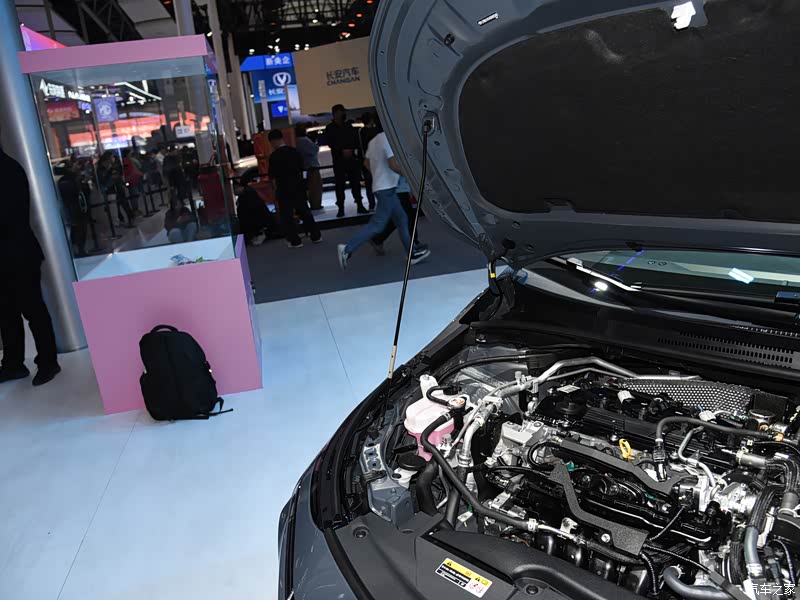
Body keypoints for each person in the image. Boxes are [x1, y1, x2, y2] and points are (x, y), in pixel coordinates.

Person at [0, 142, 61, 386]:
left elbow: (9, 214)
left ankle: (48, 362)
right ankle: (13, 364)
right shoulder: (10, 167)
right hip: (11, 254)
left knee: (32, 309)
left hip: (18, 254)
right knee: (7, 313)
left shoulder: (8, 170)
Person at [337, 117, 431, 269]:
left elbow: (366, 162)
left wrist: (379, 175)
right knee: (378, 225)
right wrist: (410, 174)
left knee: (402, 219)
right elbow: (393, 164)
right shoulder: (388, 139)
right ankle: (347, 249)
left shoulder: (374, 141)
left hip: (383, 187)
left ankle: (412, 253)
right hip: (386, 189)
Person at [267, 129, 322, 248]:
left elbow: (273, 176)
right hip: (298, 186)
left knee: (287, 216)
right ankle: (316, 235)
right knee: (304, 211)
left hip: (284, 188)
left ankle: (295, 240)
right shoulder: (294, 152)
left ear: (272, 141)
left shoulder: (274, 156)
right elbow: (302, 168)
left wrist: (275, 191)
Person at [324, 104, 368, 217]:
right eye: (341, 112)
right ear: (335, 114)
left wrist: (351, 149)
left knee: (355, 183)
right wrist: (341, 150)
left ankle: (359, 204)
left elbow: (355, 140)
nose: (343, 114)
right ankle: (341, 208)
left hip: (352, 160)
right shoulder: (330, 128)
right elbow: (330, 142)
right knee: (340, 185)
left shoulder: (349, 126)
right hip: (339, 161)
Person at [370, 175, 427, 255]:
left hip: (401, 187)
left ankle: (378, 238)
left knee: (406, 216)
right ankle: (413, 243)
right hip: (398, 188)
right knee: (406, 216)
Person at [56, 162, 91, 257]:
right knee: (77, 230)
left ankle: (81, 249)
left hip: (79, 208)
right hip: (73, 209)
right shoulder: (65, 181)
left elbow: (85, 192)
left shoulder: (75, 179)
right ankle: (77, 250)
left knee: (82, 229)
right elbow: (70, 194)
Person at [235, 173, 277, 246]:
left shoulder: (246, 196)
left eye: (235, 188)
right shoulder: (249, 193)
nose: (234, 191)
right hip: (260, 219)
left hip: (257, 221)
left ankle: (259, 234)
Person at [294, 123, 323, 211]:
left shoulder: (296, 141)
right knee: (315, 186)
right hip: (312, 166)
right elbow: (314, 149)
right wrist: (316, 143)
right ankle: (315, 204)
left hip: (306, 166)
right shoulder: (304, 140)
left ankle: (314, 204)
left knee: (310, 186)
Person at [358, 112, 379, 210]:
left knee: (369, 184)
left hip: (367, 160)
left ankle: (371, 203)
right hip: (376, 160)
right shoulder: (375, 131)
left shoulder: (361, 132)